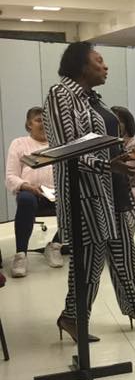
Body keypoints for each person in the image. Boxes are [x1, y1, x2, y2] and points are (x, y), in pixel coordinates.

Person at [43, 42, 135, 338]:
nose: (105, 66)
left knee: (125, 255)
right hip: (86, 192)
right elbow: (65, 149)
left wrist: (122, 159)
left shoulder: (92, 98)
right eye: (99, 60)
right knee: (89, 261)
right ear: (82, 66)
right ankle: (72, 316)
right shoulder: (61, 94)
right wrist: (105, 166)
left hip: (113, 188)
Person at [5, 106, 64, 278]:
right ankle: (21, 255)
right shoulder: (19, 144)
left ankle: (55, 246)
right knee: (25, 199)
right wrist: (26, 186)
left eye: (46, 120)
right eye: (38, 120)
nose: (43, 124)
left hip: (56, 193)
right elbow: (11, 176)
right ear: (29, 124)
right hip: (30, 192)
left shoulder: (58, 145)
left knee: (78, 200)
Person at [110, 105, 135, 213]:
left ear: (127, 124)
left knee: (128, 196)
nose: (116, 125)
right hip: (115, 186)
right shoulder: (109, 142)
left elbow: (129, 172)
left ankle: (129, 224)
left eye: (119, 122)